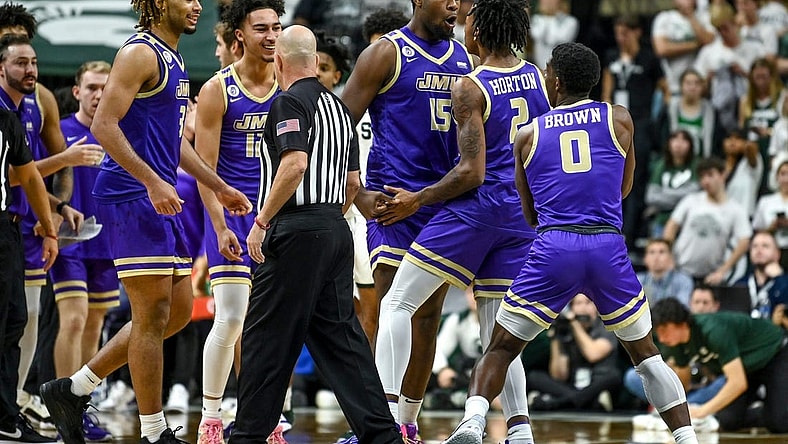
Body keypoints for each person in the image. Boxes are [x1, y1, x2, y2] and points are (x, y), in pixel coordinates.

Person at [444, 42, 699, 444]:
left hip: (554, 247)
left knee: (501, 346)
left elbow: (530, 215)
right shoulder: (619, 119)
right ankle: (687, 438)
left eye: (547, 72)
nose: (544, 77)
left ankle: (473, 422)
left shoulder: (528, 135)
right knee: (646, 355)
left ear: (556, 80)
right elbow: (624, 187)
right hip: (606, 246)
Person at [39, 1, 253, 443]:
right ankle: (154, 432)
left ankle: (74, 387)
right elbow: (104, 124)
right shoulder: (140, 53)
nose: (197, 5)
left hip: (157, 197)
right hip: (131, 196)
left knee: (174, 313)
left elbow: (174, 143)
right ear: (157, 3)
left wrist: (218, 185)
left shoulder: (172, 57)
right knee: (151, 314)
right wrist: (154, 182)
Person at [374, 0, 549, 442]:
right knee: (499, 331)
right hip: (520, 214)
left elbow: (470, 171)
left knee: (397, 303)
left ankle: (386, 420)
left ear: (480, 30)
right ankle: (520, 429)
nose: (461, 24)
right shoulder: (536, 78)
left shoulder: (471, 85)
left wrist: (419, 199)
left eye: (469, 18)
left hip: (478, 208)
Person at [231, 25, 401, 444]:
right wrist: (327, 223)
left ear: (280, 61)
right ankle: (384, 436)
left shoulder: (288, 100)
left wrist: (261, 222)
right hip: (335, 231)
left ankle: (247, 437)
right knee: (343, 344)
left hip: (295, 231)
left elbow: (294, 165)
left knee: (264, 340)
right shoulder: (339, 108)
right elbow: (353, 184)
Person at [340, 1, 474, 438]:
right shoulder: (386, 53)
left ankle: (407, 426)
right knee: (391, 303)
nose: (454, 4)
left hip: (441, 203)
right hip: (393, 201)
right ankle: (375, 425)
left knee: (428, 319)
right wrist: (356, 192)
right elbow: (338, 126)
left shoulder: (465, 58)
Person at [193, 1, 284, 443]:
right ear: (239, 35)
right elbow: (203, 170)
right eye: (261, 28)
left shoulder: (291, 87)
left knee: (275, 326)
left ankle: (269, 420)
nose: (271, 35)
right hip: (231, 218)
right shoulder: (217, 90)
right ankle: (211, 416)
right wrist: (221, 226)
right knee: (230, 318)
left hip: (277, 221)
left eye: (277, 27)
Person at [47, 61, 115, 442]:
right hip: (69, 241)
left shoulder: (115, 133)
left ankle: (81, 405)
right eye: (91, 87)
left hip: (108, 241)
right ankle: (63, 413)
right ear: (77, 92)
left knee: (95, 326)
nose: (98, 94)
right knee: (73, 319)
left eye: (105, 86)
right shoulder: (62, 133)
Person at [0, 108, 59, 443]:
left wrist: (51, 227)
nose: (29, 68)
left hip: (8, 229)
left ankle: (7, 416)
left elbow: (30, 175)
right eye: (20, 61)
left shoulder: (8, 121)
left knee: (15, 321)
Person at [651, 297, 788, 432]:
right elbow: (682, 379)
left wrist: (701, 411)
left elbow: (738, 383)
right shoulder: (675, 343)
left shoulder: (713, 330)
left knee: (780, 423)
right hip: (748, 366)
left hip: (776, 352)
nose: (662, 338)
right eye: (658, 332)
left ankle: (776, 410)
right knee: (728, 421)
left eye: (664, 329)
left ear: (681, 323)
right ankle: (767, 409)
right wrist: (671, 407)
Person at [601, 14, 668, 248]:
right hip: (616, 122)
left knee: (635, 178)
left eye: (625, 32)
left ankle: (629, 233)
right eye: (618, 32)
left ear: (637, 32)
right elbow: (607, 92)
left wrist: (657, 120)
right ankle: (612, 227)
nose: (621, 37)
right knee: (612, 175)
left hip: (640, 123)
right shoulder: (611, 56)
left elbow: (665, 89)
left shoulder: (648, 59)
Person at [626, 285, 726, 425]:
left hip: (707, 387)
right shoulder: (673, 332)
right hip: (685, 388)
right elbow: (672, 371)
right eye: (697, 302)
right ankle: (675, 407)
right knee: (632, 376)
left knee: (723, 383)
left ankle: (675, 409)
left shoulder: (716, 329)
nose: (701, 307)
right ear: (690, 304)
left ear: (716, 306)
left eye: (705, 303)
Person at [663, 156, 752, 285]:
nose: (706, 181)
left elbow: (744, 241)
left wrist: (724, 270)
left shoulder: (735, 209)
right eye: (702, 177)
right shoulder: (691, 200)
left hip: (711, 275)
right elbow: (671, 226)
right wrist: (669, 257)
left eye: (710, 175)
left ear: (723, 175)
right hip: (681, 269)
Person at [527, 294, 621, 412]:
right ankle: (586, 402)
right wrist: (556, 339)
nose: (583, 308)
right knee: (534, 377)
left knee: (613, 377)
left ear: (597, 307)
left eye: (588, 303)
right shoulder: (566, 328)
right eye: (578, 303)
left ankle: (556, 403)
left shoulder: (606, 326)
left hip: (596, 382)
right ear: (572, 308)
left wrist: (575, 324)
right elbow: (559, 375)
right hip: (573, 385)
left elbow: (593, 354)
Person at [644, 130, 700, 239]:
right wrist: (681, 198)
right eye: (675, 139)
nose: (678, 144)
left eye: (684, 140)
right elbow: (651, 197)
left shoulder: (696, 165)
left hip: (688, 221)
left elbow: (694, 193)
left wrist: (664, 193)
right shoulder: (661, 165)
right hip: (661, 220)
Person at [732, 230, 788, 322]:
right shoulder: (741, 284)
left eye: (765, 246)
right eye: (754, 246)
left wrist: (779, 277)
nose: (759, 250)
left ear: (777, 253)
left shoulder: (785, 282)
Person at [636, 238, 694, 307]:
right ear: (645, 259)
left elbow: (682, 308)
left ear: (671, 257)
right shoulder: (637, 280)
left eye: (661, 252)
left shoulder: (683, 281)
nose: (656, 257)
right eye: (652, 252)